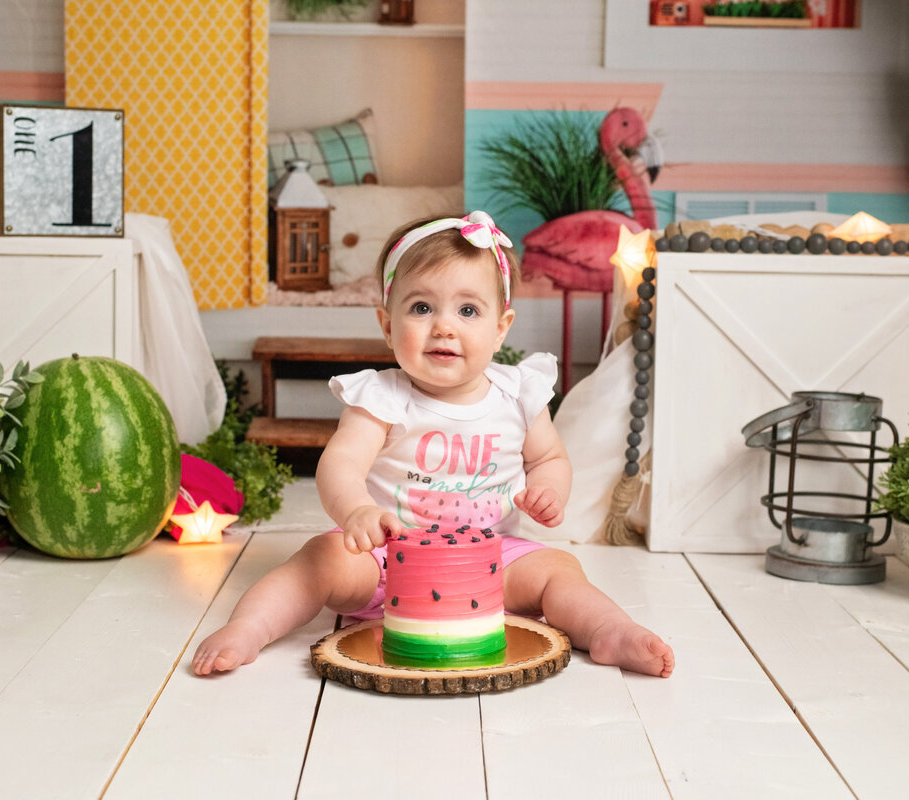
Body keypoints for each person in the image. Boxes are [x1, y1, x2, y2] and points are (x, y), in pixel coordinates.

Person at [192, 211, 674, 679]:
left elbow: (549, 458)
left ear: (501, 327)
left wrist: (550, 488)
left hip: (486, 563)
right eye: (422, 307)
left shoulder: (518, 394)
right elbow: (339, 464)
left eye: (468, 310)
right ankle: (248, 627)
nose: (444, 326)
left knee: (558, 568)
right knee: (320, 560)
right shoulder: (381, 398)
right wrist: (357, 511)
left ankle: (611, 630)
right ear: (386, 324)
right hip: (383, 560)